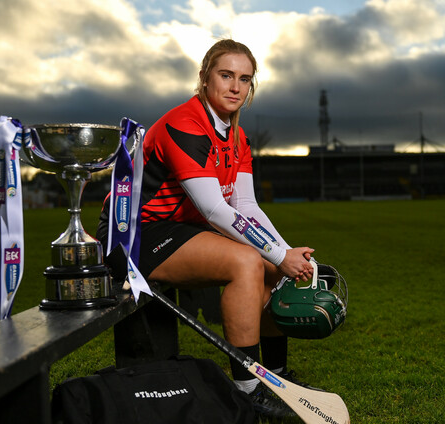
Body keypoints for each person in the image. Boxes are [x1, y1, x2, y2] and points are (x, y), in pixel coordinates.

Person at [97, 39, 315, 418]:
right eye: (226, 75)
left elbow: (246, 206)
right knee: (247, 261)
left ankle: (278, 379)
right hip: (132, 234)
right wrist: (279, 254)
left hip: (181, 228)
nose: (235, 87)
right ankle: (248, 392)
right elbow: (215, 210)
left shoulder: (238, 136)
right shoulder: (185, 124)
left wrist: (286, 254)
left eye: (244, 79)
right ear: (204, 77)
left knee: (269, 264)